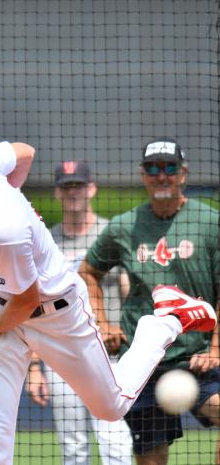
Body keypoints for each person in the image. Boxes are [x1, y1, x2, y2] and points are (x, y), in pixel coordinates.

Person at [0, 111, 216, 465]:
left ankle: (165, 321)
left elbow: (26, 300)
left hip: (53, 314)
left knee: (111, 406)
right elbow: (25, 152)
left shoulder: (3, 227)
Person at [78, 138, 220, 465]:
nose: (161, 176)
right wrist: (102, 322)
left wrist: (214, 350)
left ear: (183, 174)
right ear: (142, 175)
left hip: (197, 359)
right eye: (153, 169)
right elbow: (87, 272)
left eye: (169, 168)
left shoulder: (210, 223)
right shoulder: (124, 227)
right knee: (151, 460)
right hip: (143, 366)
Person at [25, 160, 133, 465]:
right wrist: (34, 367)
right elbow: (33, 305)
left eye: (79, 185)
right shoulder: (47, 241)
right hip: (63, 355)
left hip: (109, 355)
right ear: (58, 192)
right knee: (73, 448)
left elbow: (130, 289)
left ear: (92, 188)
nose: (73, 191)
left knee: (116, 443)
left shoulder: (111, 234)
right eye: (67, 186)